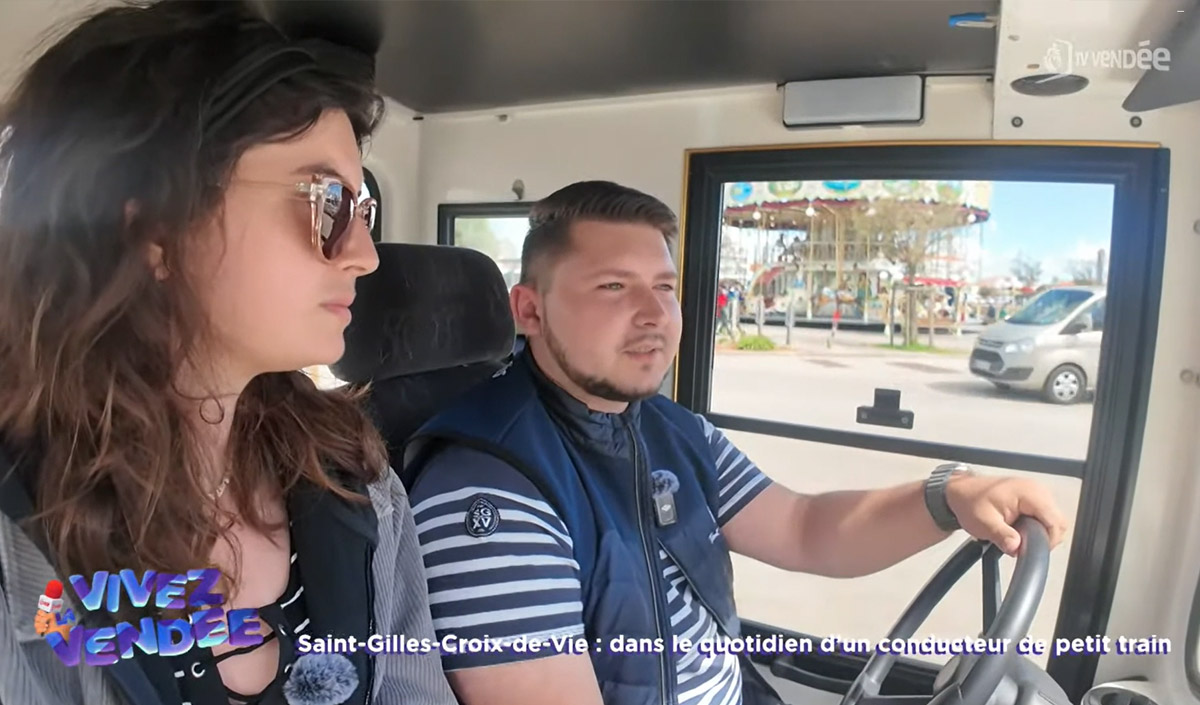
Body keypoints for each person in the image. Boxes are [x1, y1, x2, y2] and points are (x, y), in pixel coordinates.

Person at [402, 180, 1070, 705]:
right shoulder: (485, 487)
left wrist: (948, 496)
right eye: (613, 287)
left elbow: (806, 528)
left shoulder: (670, 429)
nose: (655, 314)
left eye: (665, 288)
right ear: (530, 310)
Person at [0, 2, 456, 705]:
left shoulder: (360, 484)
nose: (364, 255)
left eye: (362, 210)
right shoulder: (17, 540)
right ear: (154, 227)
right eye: (328, 201)